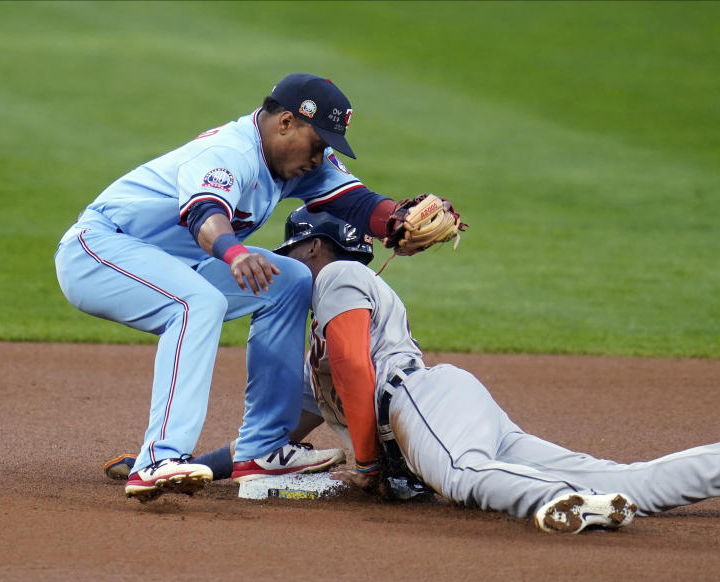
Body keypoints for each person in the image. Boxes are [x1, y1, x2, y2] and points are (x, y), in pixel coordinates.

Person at [110, 207, 720, 531]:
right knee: (627, 479)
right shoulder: (325, 329)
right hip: (447, 407)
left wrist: (366, 459)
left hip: (424, 404)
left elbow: (354, 368)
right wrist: (187, 468)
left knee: (461, 473)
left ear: (309, 248)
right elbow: (276, 437)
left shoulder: (336, 282)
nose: (285, 263)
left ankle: (558, 505)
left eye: (290, 252)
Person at [57, 73, 456, 502]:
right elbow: (205, 215)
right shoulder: (230, 152)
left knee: (289, 281)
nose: (321, 156)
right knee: (197, 303)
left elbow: (355, 202)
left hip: (172, 262)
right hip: (100, 250)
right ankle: (159, 458)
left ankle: (263, 448)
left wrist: (394, 221)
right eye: (318, 143)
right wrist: (233, 253)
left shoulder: (294, 163)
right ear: (285, 123)